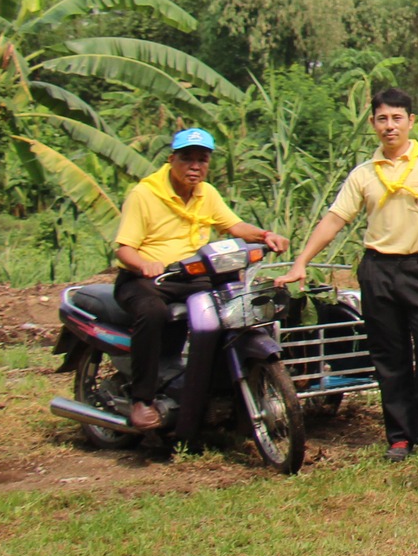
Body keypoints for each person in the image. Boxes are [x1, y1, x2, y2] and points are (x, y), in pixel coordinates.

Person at [280, 88, 418, 461]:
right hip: (378, 269)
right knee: (389, 356)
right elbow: (334, 219)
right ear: (373, 124)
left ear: (411, 122)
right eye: (382, 119)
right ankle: (398, 436)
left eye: (397, 118)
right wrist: (301, 261)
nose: (389, 126)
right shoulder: (364, 174)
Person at [113, 128, 289, 431]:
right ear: (171, 159)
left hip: (191, 276)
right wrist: (145, 264)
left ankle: (218, 386)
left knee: (238, 308)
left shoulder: (206, 193)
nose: (195, 165)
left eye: (202, 159)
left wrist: (265, 236)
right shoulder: (145, 193)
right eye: (187, 158)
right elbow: (124, 249)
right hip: (146, 278)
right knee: (152, 313)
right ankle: (141, 400)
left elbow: (234, 226)